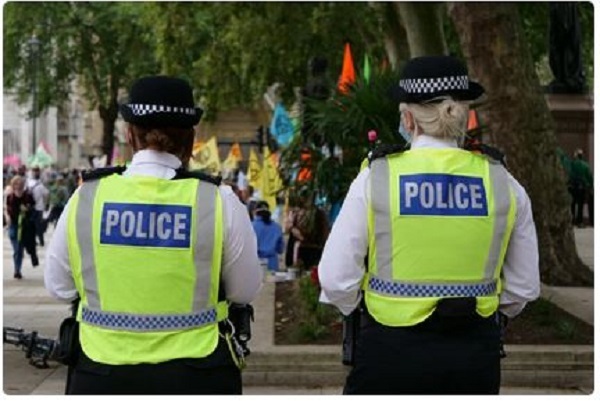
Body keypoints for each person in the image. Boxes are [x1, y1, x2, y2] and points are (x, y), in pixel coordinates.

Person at [318, 56, 540, 395]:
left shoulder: (376, 177)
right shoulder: (502, 182)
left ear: (408, 118)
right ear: (464, 113)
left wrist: (366, 312)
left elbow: (336, 279)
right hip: (473, 360)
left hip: (389, 354)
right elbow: (523, 287)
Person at [44, 76, 262, 395]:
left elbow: (59, 287)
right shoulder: (218, 200)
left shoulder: (87, 196)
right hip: (196, 374)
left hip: (100, 372)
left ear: (130, 134)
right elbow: (244, 290)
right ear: (191, 138)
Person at [5, 175, 39, 279]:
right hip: (13, 226)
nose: (18, 185)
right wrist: (7, 218)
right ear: (13, 185)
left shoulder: (28, 196)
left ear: (23, 185)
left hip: (24, 227)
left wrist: (28, 209)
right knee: (17, 249)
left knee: (20, 249)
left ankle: (17, 270)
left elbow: (34, 208)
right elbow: (7, 210)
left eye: (20, 183)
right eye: (16, 183)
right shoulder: (10, 197)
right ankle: (17, 269)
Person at [251, 200, 284, 276]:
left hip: (256, 263)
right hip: (272, 264)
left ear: (255, 212)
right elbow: (280, 249)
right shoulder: (277, 227)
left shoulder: (251, 226)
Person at [570, 149, 593, 227]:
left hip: (573, 187)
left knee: (572, 204)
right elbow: (589, 176)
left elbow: (569, 173)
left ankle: (572, 220)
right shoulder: (585, 165)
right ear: (582, 156)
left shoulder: (572, 164)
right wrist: (591, 186)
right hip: (582, 187)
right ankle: (579, 221)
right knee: (580, 205)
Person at [27, 166, 49, 246]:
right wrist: (46, 204)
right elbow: (46, 194)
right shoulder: (40, 184)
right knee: (38, 226)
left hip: (31, 208)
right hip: (38, 208)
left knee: (31, 225)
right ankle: (41, 241)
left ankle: (34, 240)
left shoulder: (28, 183)